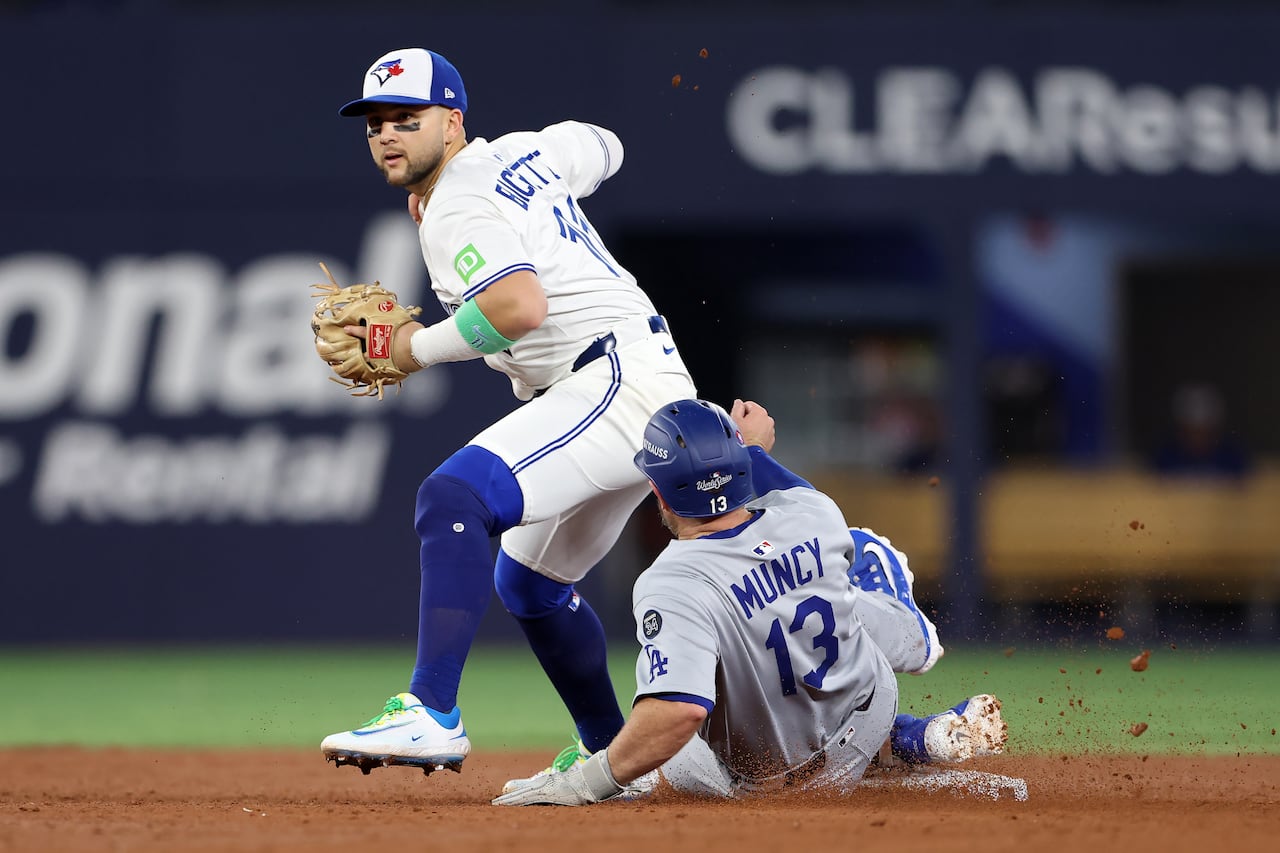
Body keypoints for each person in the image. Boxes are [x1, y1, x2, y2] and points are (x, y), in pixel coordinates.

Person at [319, 48, 697, 777]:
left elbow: (520, 306)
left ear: (452, 121)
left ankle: (431, 711)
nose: (388, 134)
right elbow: (603, 146)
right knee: (530, 583)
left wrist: (414, 349)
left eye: (408, 118)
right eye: (375, 124)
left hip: (614, 379)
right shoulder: (522, 153)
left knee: (452, 494)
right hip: (635, 376)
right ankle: (617, 757)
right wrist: (539, 181)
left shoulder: (457, 202)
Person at [494, 399, 1007, 804]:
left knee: (667, 697)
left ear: (660, 494)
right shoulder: (812, 511)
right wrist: (752, 447)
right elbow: (773, 482)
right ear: (742, 466)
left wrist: (587, 781)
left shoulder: (669, 582)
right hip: (866, 719)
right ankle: (911, 729)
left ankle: (904, 734)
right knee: (850, 562)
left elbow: (677, 715)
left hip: (760, 784)